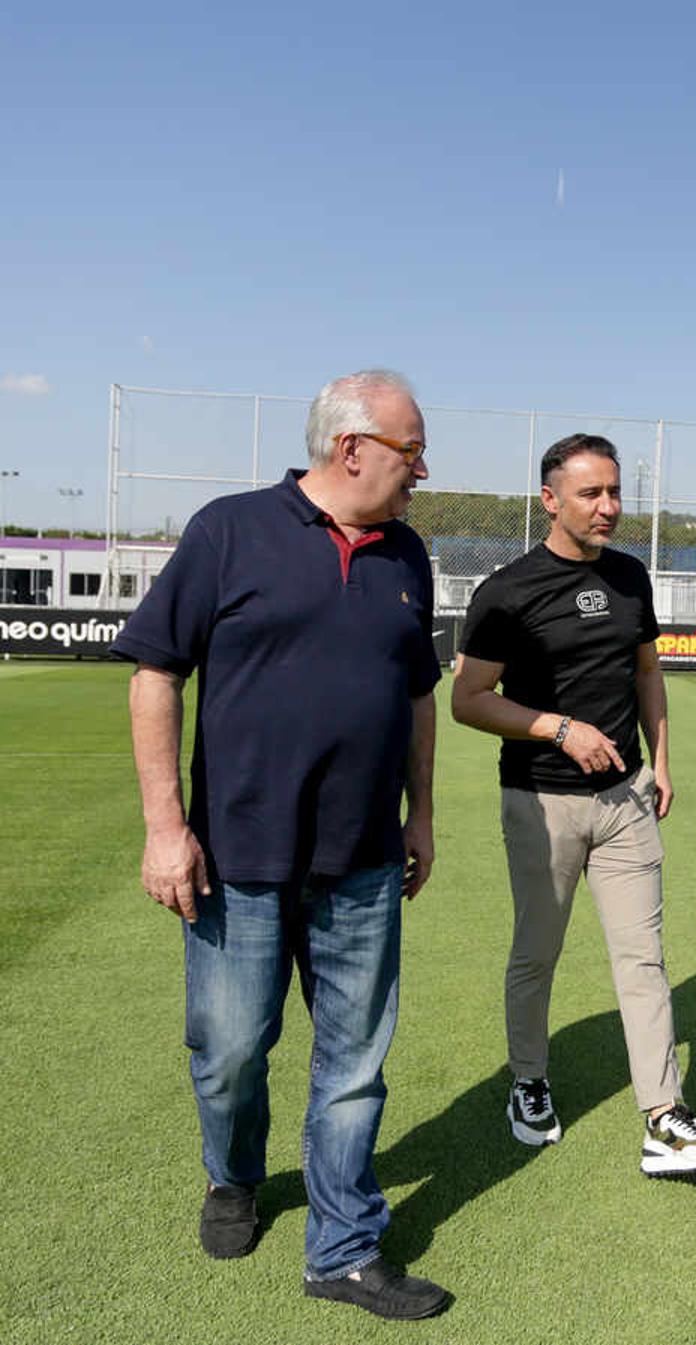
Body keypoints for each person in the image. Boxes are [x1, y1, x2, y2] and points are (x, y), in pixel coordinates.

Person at [112, 370, 450, 1320]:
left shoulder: (407, 554)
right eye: (410, 450)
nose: (423, 468)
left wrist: (420, 813)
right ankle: (235, 1173)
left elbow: (418, 694)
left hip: (365, 861)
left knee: (352, 1064)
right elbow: (155, 674)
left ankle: (341, 1247)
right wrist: (165, 828)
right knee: (229, 1051)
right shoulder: (229, 530)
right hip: (237, 859)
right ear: (352, 448)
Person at [450, 434, 696, 1177]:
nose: (609, 507)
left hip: (625, 802)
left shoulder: (632, 578)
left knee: (644, 960)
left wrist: (660, 760)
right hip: (540, 802)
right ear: (550, 500)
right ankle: (529, 1080)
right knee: (537, 953)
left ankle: (664, 1117)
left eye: (615, 492)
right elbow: (467, 700)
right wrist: (558, 727)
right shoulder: (507, 591)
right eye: (592, 494)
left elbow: (647, 671)